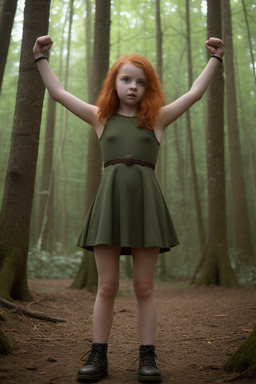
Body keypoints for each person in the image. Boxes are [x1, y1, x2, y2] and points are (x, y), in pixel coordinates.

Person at [33, 35, 224, 383]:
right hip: (109, 206)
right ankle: (98, 355)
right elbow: (60, 94)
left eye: (140, 81)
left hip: (146, 207)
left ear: (147, 87)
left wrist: (216, 59)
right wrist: (40, 59)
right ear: (114, 83)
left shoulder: (159, 120)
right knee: (106, 286)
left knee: (143, 287)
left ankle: (147, 357)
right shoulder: (100, 118)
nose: (133, 86)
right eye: (126, 79)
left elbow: (195, 94)